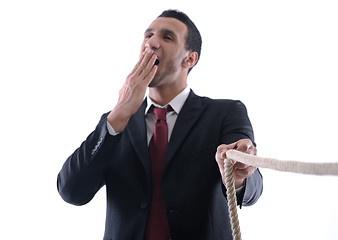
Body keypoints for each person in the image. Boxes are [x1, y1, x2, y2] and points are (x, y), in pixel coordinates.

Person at [57, 9, 263, 240]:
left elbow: (253, 191)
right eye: (148, 36)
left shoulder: (225, 112)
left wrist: (238, 176)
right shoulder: (114, 123)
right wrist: (119, 115)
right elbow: (71, 191)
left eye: (167, 37)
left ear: (190, 59)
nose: (151, 43)